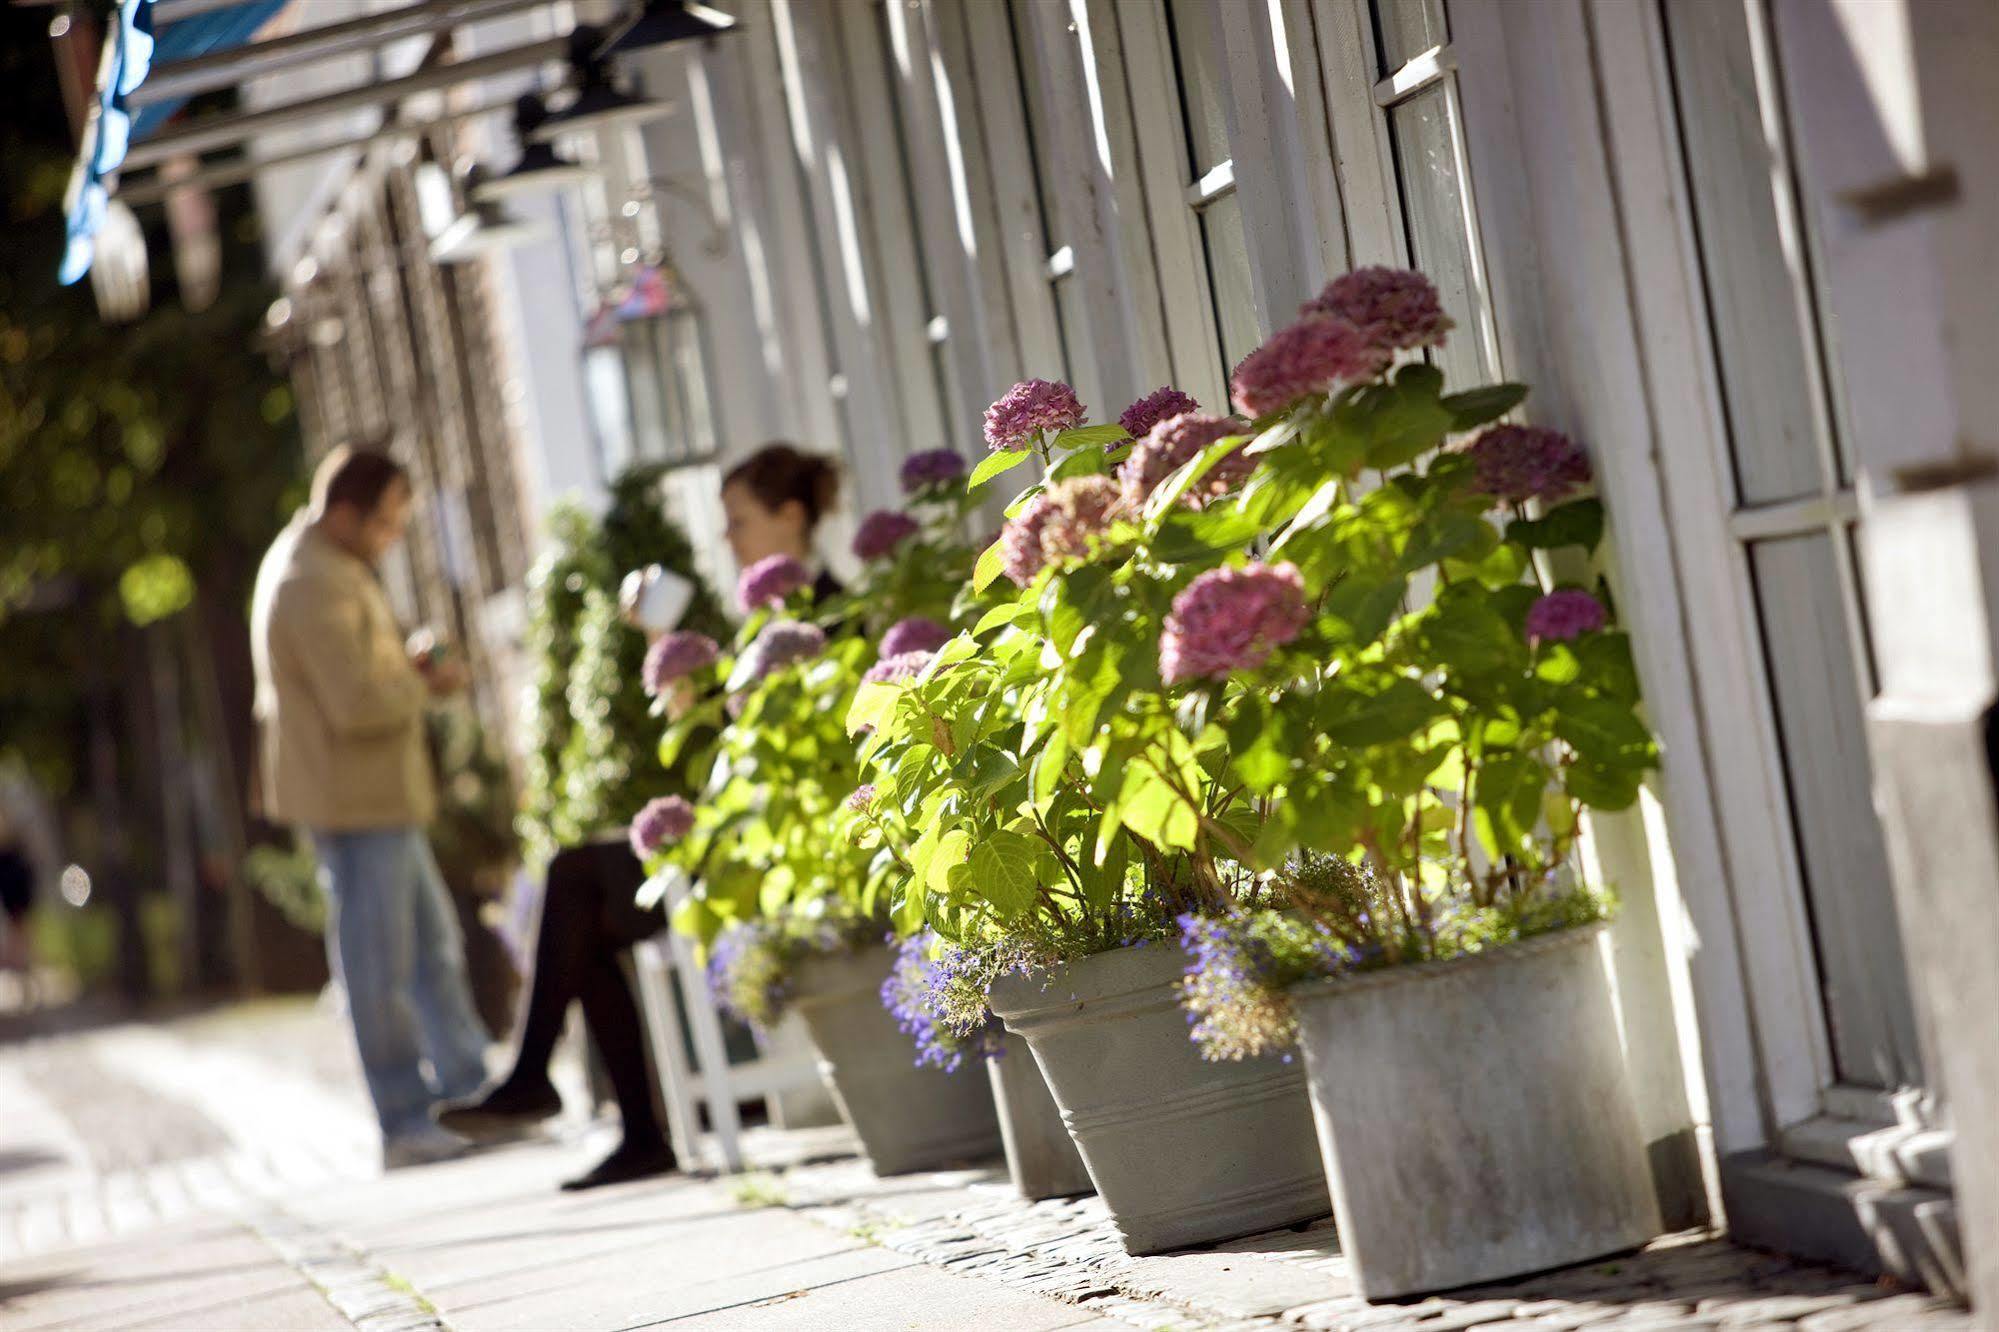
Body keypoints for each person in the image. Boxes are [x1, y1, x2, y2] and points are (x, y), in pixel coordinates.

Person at [439, 441, 842, 1190]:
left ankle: (584, 1103)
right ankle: (613, 1120)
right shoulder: (765, 619)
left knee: (576, 879)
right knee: (578, 887)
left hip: (772, 850)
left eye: (740, 520)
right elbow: (727, 752)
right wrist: (674, 661)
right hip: (736, 835)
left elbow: (799, 758)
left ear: (792, 517)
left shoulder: (828, 615)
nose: (727, 538)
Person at [250, 444, 492, 1169]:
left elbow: (357, 675)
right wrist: (430, 685)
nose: (394, 536)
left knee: (433, 954)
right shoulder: (310, 580)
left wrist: (408, 668)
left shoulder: (331, 562)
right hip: (354, 803)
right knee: (379, 964)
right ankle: (405, 1121)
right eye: (386, 522)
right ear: (347, 512)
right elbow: (354, 703)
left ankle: (471, 1096)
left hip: (378, 796)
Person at [0, 808, 38, 1004]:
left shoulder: (16, 854)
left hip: (19, 904)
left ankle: (27, 983)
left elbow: (27, 878)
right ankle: (24, 983)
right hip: (11, 905)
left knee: (21, 944)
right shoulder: (5, 856)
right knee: (16, 945)